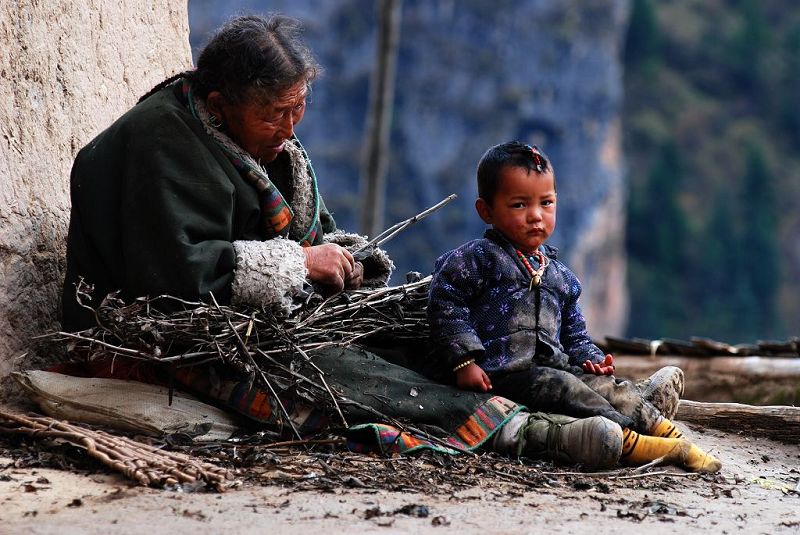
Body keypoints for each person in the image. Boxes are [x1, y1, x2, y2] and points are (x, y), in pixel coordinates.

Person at [59, 15, 626, 469]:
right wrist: (304, 262)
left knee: (432, 324)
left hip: (268, 308)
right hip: (164, 329)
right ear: (218, 106)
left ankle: (571, 390)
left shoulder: (263, 141)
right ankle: (526, 431)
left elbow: (319, 231)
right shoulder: (161, 144)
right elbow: (176, 276)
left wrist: (348, 261)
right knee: (331, 368)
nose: (290, 127)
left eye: (298, 107)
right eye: (276, 114)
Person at [427, 141, 721, 473]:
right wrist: (465, 360)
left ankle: (668, 432)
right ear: (487, 211)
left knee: (608, 386)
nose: (536, 215)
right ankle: (637, 443)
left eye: (546, 203)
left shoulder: (560, 276)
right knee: (567, 389)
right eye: (520, 205)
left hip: (555, 366)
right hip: (502, 373)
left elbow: (574, 333)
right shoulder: (477, 259)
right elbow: (445, 301)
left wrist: (591, 359)